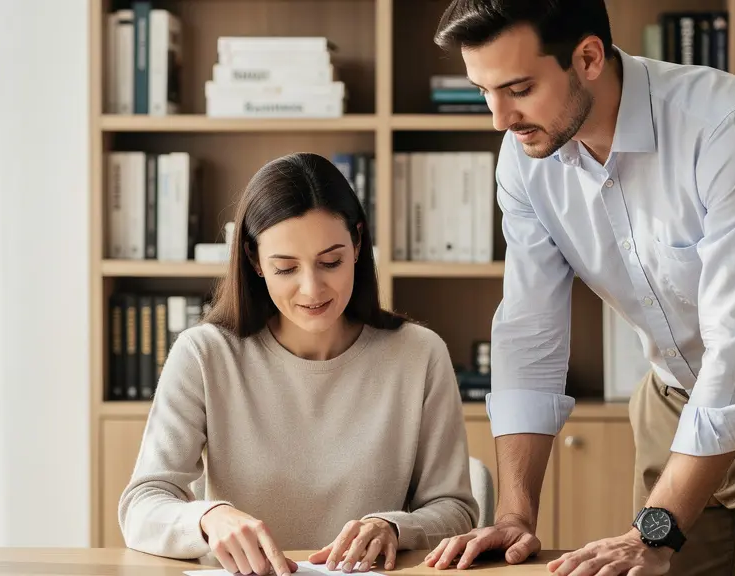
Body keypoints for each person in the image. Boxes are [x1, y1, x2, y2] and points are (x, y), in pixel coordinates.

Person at [423, 2, 735, 576]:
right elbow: (529, 329)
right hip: (672, 403)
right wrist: (516, 516)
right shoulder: (525, 157)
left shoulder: (731, 127)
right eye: (484, 91)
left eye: (518, 88)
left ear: (588, 57)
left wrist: (656, 529)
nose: (498, 119)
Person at [118, 152, 479, 575]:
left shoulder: (419, 355)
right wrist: (207, 518)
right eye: (286, 268)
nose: (312, 288)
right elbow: (143, 503)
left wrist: (393, 527)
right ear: (254, 261)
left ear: (358, 243)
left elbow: (455, 509)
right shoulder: (204, 354)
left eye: (331, 262)